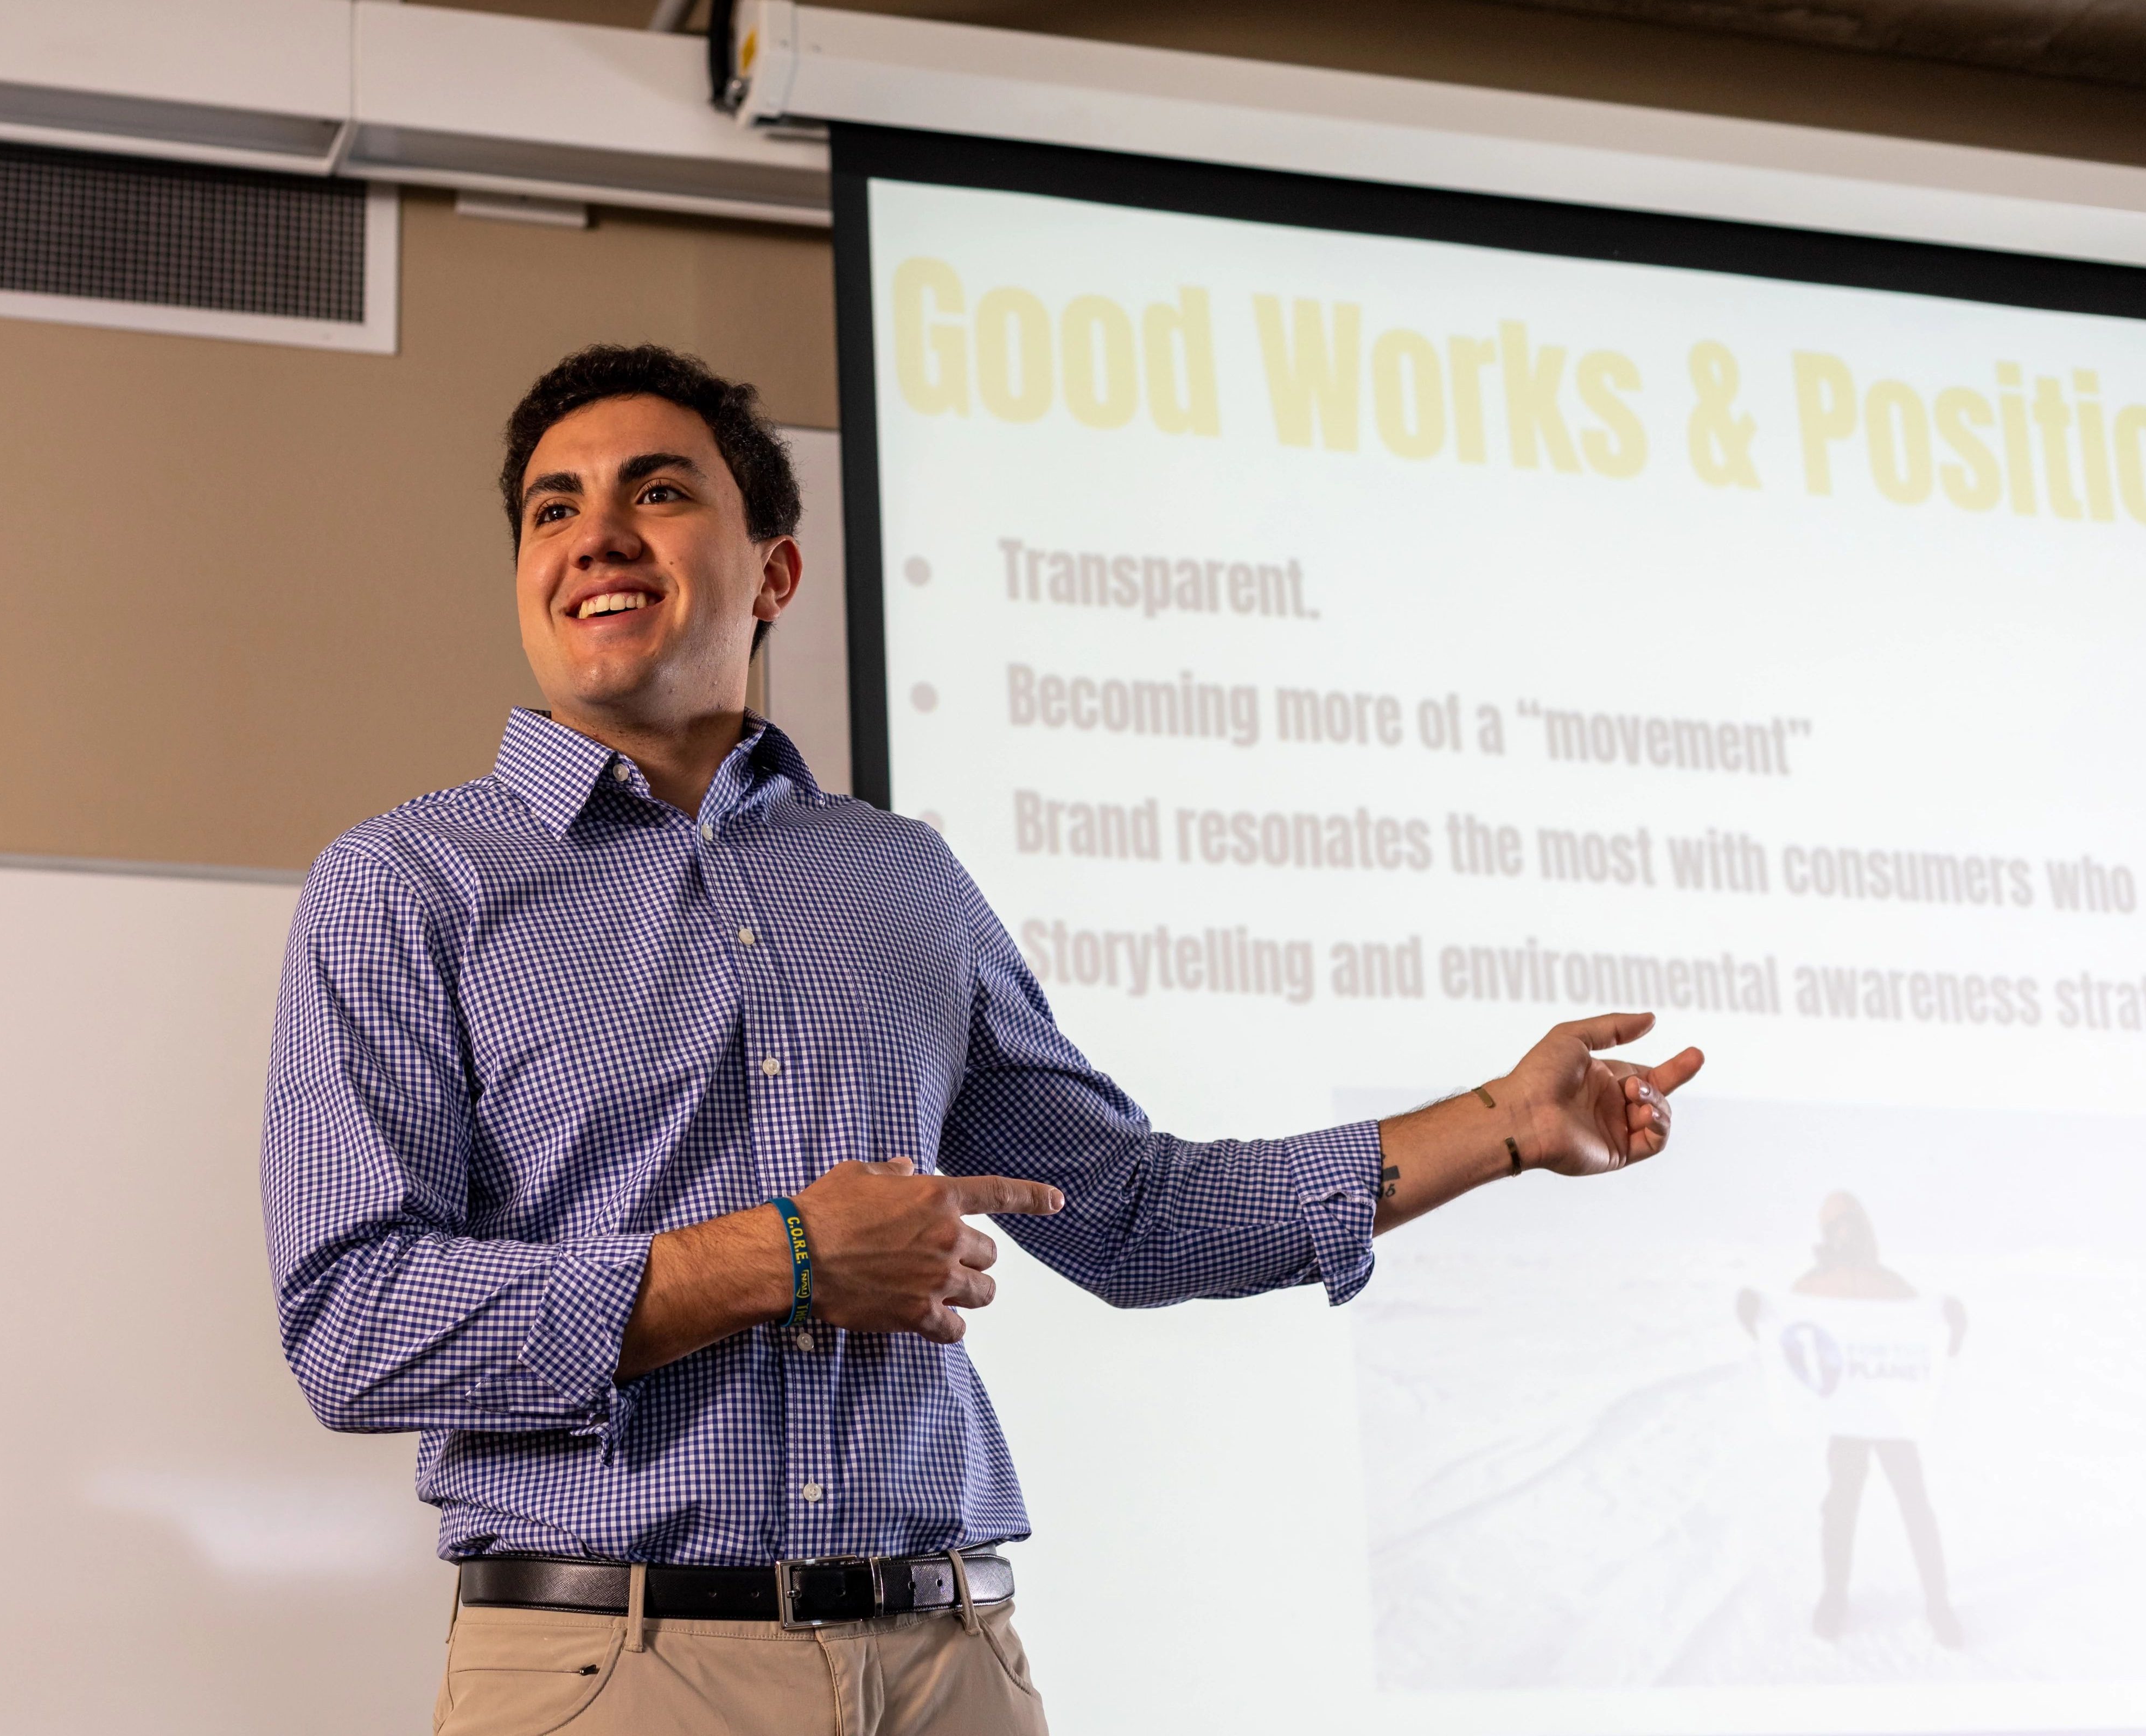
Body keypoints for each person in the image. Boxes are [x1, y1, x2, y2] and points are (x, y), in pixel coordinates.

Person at [260, 344, 1705, 1735]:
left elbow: (1132, 1215)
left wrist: (1502, 1127)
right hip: (620, 1671)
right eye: (552, 508)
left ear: (775, 572)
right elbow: (351, 1325)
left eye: (659, 490)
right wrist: (784, 1257)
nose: (595, 535)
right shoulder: (406, 885)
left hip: (949, 1664)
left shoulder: (904, 879)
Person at [1739, 1192, 1967, 1648]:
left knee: (1915, 1506)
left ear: (1864, 1228)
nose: (1845, 1233)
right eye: (1836, 1227)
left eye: (1851, 1224)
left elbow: (1929, 1346)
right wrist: (1753, 1316)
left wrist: (1953, 1325)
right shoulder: (1813, 1287)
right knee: (1840, 1508)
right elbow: (1784, 1341)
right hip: (1846, 1418)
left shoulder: (1893, 1285)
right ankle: (1835, 1597)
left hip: (1893, 1416)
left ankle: (1939, 1604)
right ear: (1827, 1236)